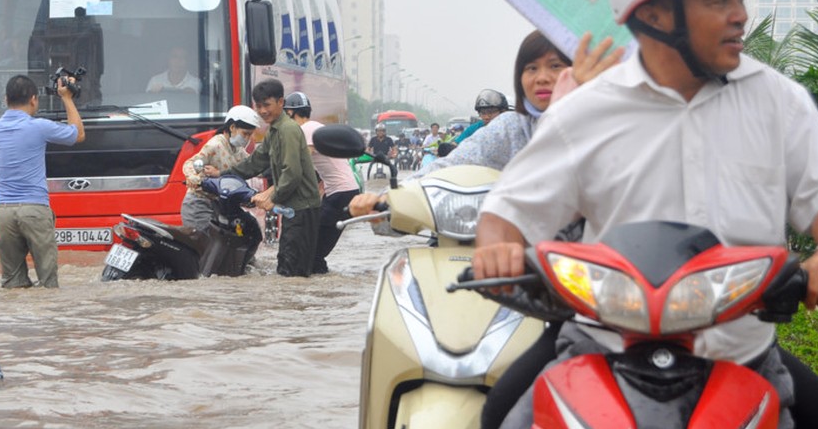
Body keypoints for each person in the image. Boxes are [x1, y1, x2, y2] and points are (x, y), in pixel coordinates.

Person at [467, 0, 818, 429]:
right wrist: (498, 252)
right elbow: (507, 211)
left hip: (742, 360)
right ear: (657, 13)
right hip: (603, 353)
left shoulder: (777, 100)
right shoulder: (587, 108)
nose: (739, 15)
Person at [348, 30, 576, 219]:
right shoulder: (511, 128)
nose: (542, 77)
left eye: (555, 66)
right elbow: (450, 165)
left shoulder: (600, 122)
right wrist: (387, 198)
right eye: (532, 68)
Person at [0, 74, 85, 288]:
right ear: (33, 100)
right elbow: (78, 134)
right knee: (48, 284)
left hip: (2, 212)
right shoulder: (39, 127)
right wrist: (66, 97)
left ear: (5, 99)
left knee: (12, 284)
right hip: (34, 210)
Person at [222, 79, 322, 277]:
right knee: (286, 263)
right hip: (293, 209)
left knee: (292, 271)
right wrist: (222, 176)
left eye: (267, 105)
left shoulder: (288, 130)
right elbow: (256, 162)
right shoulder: (273, 131)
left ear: (281, 102)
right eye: (258, 106)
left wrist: (271, 197)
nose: (262, 111)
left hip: (302, 209)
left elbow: (292, 173)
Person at [283, 91, 361, 274]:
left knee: (312, 250)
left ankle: (317, 287)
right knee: (313, 246)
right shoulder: (317, 126)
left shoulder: (306, 130)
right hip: (343, 192)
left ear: (291, 113)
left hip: (340, 195)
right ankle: (322, 286)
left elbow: (302, 165)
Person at [181, 104, 262, 230]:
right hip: (199, 205)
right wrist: (193, 177)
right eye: (245, 134)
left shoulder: (238, 150)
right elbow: (191, 163)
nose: (247, 139)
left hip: (220, 206)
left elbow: (253, 166)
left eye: (249, 135)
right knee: (208, 247)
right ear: (232, 127)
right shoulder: (215, 145)